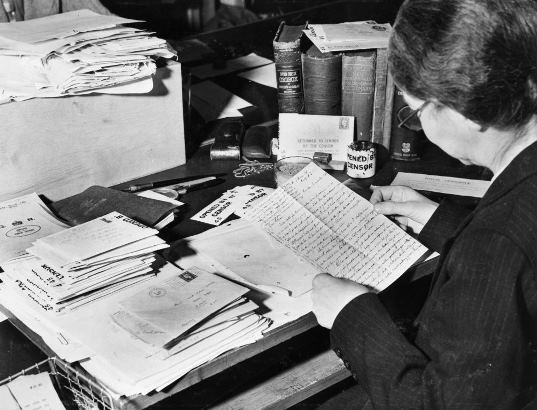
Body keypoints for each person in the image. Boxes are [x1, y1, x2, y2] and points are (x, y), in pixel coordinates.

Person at [311, 0, 537, 408]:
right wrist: (443, 221)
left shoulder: (498, 241)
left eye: (414, 112)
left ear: (466, 113)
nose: (418, 126)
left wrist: (348, 314)